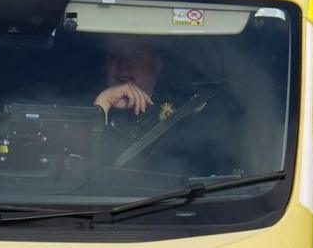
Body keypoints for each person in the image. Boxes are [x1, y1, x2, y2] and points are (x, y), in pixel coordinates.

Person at [91, 36, 237, 174]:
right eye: (114, 55)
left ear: (157, 64)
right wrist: (103, 103)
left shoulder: (187, 113)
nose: (123, 64)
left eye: (136, 55)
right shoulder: (89, 102)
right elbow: (79, 167)